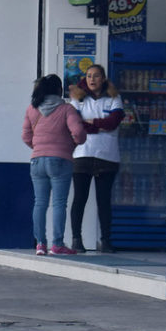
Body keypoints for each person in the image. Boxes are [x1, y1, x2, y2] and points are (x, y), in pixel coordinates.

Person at [22, 74, 86, 256]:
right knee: (59, 203)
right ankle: (57, 244)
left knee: (39, 203)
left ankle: (40, 244)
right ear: (59, 90)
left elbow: (26, 136)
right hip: (60, 160)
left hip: (36, 161)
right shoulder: (67, 109)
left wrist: (39, 148)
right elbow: (79, 133)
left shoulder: (32, 109)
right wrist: (71, 145)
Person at [68, 64, 124, 253]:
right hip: (82, 155)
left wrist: (92, 123)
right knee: (80, 199)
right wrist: (99, 125)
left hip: (107, 156)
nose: (92, 79)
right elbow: (76, 125)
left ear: (103, 78)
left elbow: (114, 121)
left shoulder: (114, 98)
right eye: (89, 76)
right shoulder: (78, 99)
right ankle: (76, 239)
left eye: (96, 76)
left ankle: (106, 240)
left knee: (104, 200)